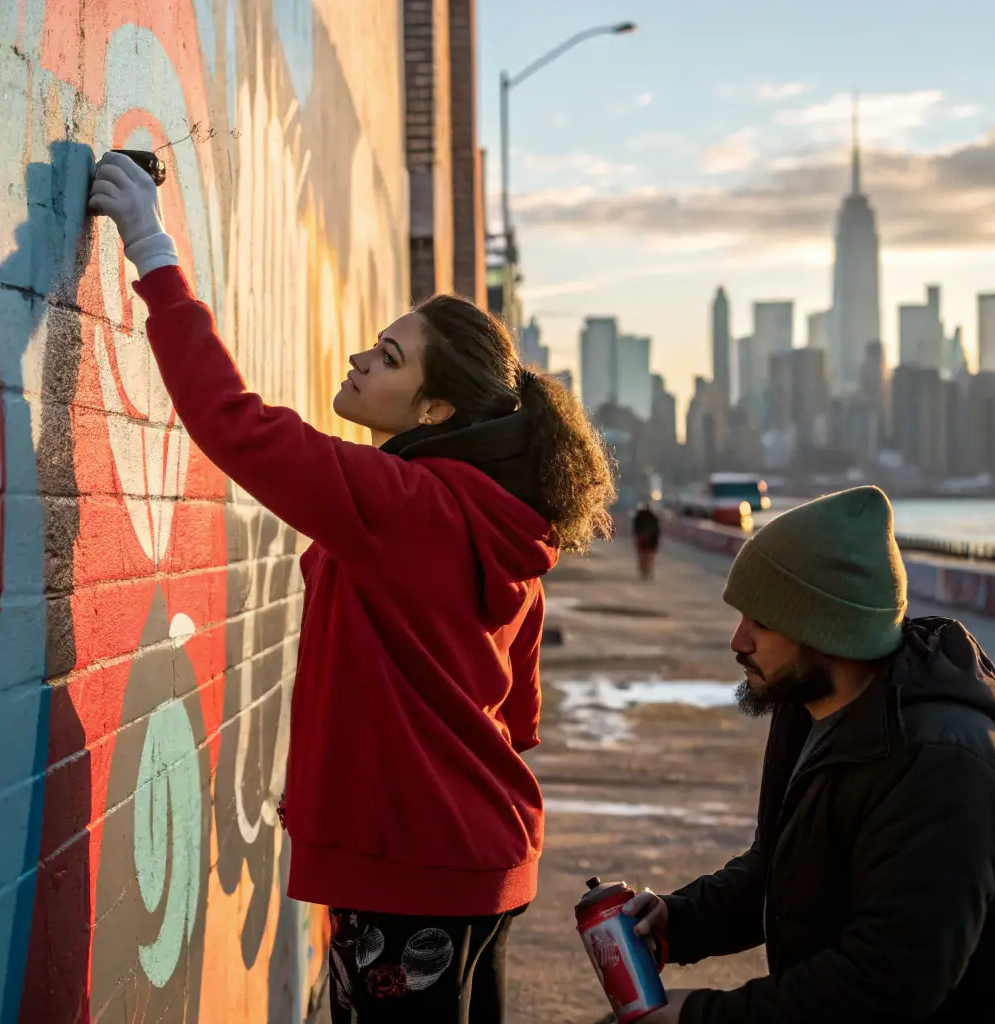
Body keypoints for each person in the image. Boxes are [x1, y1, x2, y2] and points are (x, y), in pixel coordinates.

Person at [88, 152, 615, 1022]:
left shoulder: (402, 504)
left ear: (435, 411)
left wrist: (152, 250)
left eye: (389, 355)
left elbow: (236, 425)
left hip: (411, 869)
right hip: (479, 856)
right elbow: (516, 715)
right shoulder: (506, 520)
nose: (360, 359)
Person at [623, 486, 995, 1023]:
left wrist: (695, 1017)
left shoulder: (945, 764)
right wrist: (675, 921)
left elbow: (884, 985)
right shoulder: (807, 706)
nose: (738, 640)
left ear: (827, 631)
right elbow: (778, 871)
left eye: (762, 621)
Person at [632, 502, 662, 580]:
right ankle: (649, 571)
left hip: (641, 537)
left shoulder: (639, 516)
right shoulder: (654, 517)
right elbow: (657, 529)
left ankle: (643, 571)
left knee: (642, 555)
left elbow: (635, 527)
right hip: (651, 539)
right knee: (650, 556)